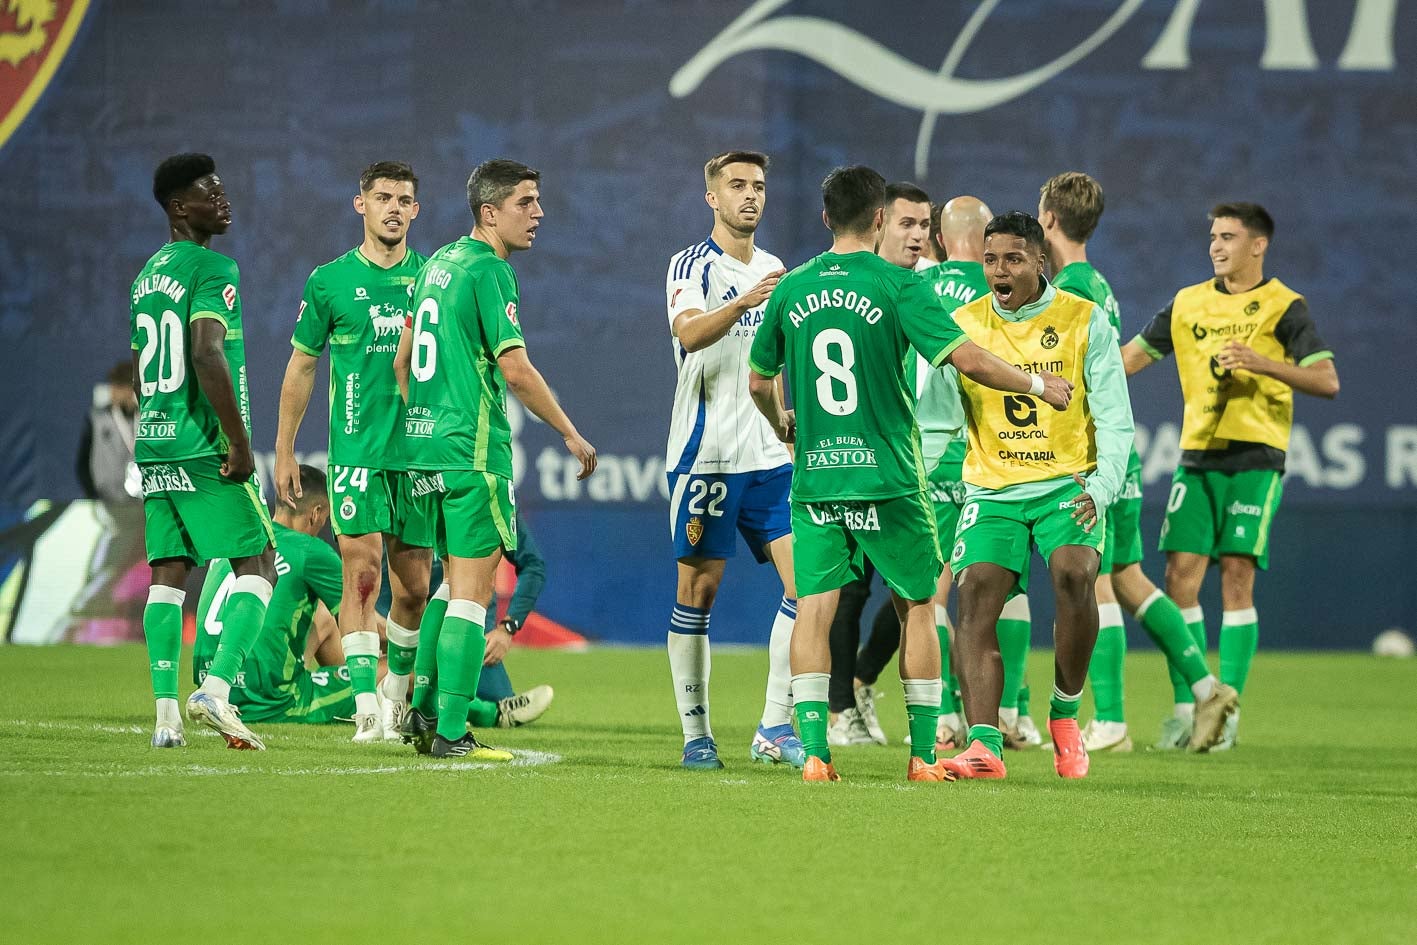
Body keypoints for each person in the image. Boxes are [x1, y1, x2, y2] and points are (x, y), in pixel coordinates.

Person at [747, 167, 1072, 783]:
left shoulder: (791, 288)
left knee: (814, 603)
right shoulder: (898, 285)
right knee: (918, 606)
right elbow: (969, 359)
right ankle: (923, 756)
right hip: (891, 477)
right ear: (877, 220)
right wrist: (1037, 382)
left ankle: (815, 751)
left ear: (825, 218)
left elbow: (760, 380)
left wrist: (783, 421)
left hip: (818, 476)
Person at [398, 158, 597, 758]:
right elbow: (514, 368)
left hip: (425, 449)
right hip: (471, 450)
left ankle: (421, 714)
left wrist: (424, 420)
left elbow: (401, 363)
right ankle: (453, 733)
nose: (538, 214)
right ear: (490, 212)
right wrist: (569, 431)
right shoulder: (490, 270)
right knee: (472, 595)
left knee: (443, 588)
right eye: (526, 203)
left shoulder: (434, 264)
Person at [1121, 202, 1338, 750]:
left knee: (1236, 578)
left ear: (1258, 245)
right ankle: (1194, 705)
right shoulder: (1187, 303)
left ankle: (1228, 714)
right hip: (1196, 456)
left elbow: (1327, 380)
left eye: (1228, 237)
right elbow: (1129, 359)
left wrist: (1262, 362)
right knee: (1179, 577)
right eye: (1213, 237)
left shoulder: (1284, 306)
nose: (1215, 246)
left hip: (1256, 456)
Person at [1039, 172, 1238, 753]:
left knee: (1098, 580)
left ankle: (1113, 722)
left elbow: (1072, 377)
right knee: (1127, 579)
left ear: (1048, 219)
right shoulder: (1095, 280)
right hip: (1116, 453)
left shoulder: (1070, 288)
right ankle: (1205, 687)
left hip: (1091, 454)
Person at [943, 211, 1133, 781]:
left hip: (1067, 482)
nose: (999, 271)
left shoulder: (1085, 321)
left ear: (1039, 261)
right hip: (993, 485)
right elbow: (925, 400)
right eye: (991, 260)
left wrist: (1102, 487)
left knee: (1076, 576)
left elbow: (1117, 421)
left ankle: (1065, 713)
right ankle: (983, 745)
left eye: (1013, 259)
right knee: (974, 593)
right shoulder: (963, 324)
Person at [192, 467, 532, 749]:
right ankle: (492, 713)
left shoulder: (239, 545)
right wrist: (404, 651)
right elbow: (363, 616)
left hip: (215, 676)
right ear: (317, 513)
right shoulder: (311, 552)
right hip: (271, 698)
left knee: (322, 619)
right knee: (406, 674)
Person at [272, 161, 432, 744]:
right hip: (357, 454)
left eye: (404, 199)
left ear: (416, 210)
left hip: (419, 457)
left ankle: (394, 696)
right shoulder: (329, 282)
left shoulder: (436, 277)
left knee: (414, 589)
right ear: (359, 204)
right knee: (359, 577)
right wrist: (285, 446)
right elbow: (303, 364)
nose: (394, 208)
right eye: (383, 197)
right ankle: (367, 708)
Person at [131, 153, 276, 750]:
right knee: (260, 560)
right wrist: (238, 443)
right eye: (207, 192)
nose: (222, 199)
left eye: (221, 188)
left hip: (156, 441)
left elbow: (146, 370)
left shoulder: (146, 275)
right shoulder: (212, 268)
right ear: (176, 207)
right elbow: (206, 352)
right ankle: (216, 690)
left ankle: (166, 716)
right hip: (202, 444)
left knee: (168, 575)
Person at [663, 150, 801, 770]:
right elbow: (689, 334)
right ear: (711, 198)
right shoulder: (690, 266)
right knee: (698, 592)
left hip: (771, 457)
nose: (751, 195)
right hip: (707, 455)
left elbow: (770, 368)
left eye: (759, 186)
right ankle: (697, 736)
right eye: (738, 186)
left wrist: (787, 424)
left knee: (811, 586)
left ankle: (775, 725)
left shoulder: (776, 268)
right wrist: (744, 303)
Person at [825, 181, 934, 748]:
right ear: (878, 223)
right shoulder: (848, 284)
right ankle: (840, 708)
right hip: (848, 461)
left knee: (918, 589)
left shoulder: (923, 286)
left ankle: (863, 680)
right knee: (848, 590)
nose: (917, 235)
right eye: (906, 224)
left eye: (925, 225)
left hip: (911, 464)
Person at [77, 360, 141, 501]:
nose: (112, 391)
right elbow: (82, 461)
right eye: (112, 385)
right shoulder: (97, 419)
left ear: (131, 389)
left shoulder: (146, 418)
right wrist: (92, 494)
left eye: (118, 386)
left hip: (140, 502)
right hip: (106, 500)